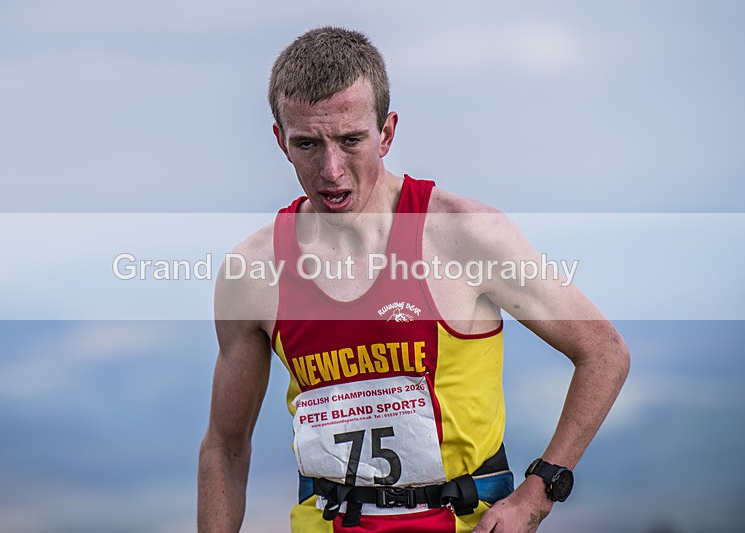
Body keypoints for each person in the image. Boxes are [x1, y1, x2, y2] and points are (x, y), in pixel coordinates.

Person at [198, 26, 629, 533]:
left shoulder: (465, 235)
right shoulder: (253, 270)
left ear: (387, 132)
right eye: (308, 144)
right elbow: (225, 446)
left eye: (351, 140)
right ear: (280, 141)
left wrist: (540, 490)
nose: (331, 169)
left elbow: (603, 352)